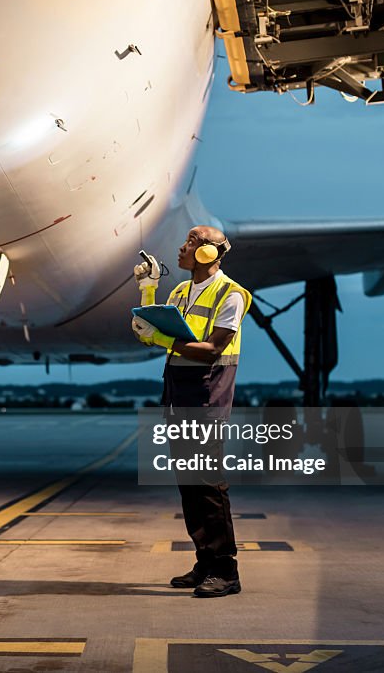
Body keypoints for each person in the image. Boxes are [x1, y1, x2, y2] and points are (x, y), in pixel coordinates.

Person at [132, 226, 252, 598]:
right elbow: (150, 328)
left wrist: (162, 339)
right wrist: (148, 289)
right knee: (189, 485)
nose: (182, 248)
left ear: (207, 254)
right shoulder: (181, 291)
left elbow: (211, 348)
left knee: (208, 484)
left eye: (190, 243)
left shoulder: (231, 294)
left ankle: (226, 570)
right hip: (177, 394)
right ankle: (205, 562)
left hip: (207, 398)